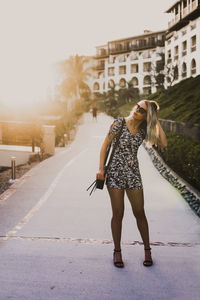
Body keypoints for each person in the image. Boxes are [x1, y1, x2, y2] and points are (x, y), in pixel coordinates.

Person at [96, 100, 167, 268]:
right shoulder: (119, 123)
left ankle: (147, 250)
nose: (137, 110)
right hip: (114, 173)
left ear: (147, 115)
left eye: (142, 110)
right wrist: (101, 169)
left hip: (133, 174)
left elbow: (163, 142)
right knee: (118, 213)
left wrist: (155, 119)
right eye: (137, 106)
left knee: (139, 212)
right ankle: (117, 251)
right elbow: (105, 145)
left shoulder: (144, 129)